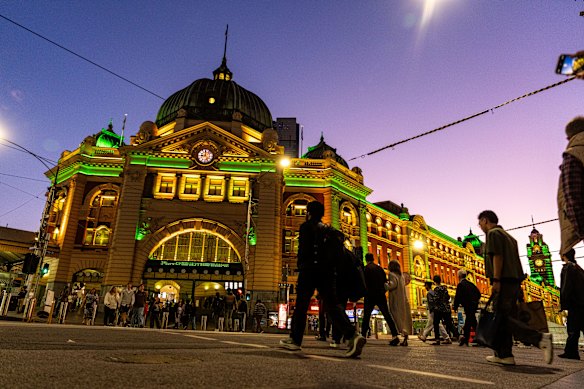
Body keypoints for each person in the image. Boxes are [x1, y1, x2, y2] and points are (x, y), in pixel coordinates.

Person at [279, 201, 366, 358]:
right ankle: (352, 335)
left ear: (309, 212)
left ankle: (295, 340)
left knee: (301, 305)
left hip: (309, 270)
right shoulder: (329, 230)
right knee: (333, 306)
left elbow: (303, 251)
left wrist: (301, 265)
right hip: (328, 273)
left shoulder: (306, 227)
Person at [478, 210, 553, 365]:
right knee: (505, 317)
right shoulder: (510, 238)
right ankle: (504, 355)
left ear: (485, 220)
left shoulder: (493, 234)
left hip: (503, 281)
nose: (479, 226)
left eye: (480, 222)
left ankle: (540, 339)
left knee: (502, 319)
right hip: (514, 283)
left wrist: (496, 280)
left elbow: (498, 256)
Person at [361, 253, 400, 346]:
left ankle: (362, 336)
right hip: (380, 294)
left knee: (366, 316)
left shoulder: (365, 269)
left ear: (366, 259)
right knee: (387, 315)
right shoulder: (380, 269)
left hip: (369, 295)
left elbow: (363, 282)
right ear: (373, 259)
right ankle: (395, 335)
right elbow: (384, 281)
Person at [559, 249, 584, 360]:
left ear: (564, 255)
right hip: (582, 302)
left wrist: (564, 303)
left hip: (574, 303)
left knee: (573, 328)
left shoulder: (568, 268)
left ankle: (571, 352)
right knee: (581, 326)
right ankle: (570, 351)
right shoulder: (579, 268)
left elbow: (566, 287)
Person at [453, 269, 481, 346]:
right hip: (473, 305)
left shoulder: (461, 285)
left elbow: (457, 297)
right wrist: (475, 300)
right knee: (472, 321)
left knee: (469, 320)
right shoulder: (471, 284)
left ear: (459, 276)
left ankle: (467, 338)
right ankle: (477, 337)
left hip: (468, 305)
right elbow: (479, 293)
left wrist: (455, 306)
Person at [387, 260, 412, 346]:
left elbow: (392, 285)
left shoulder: (391, 275)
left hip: (396, 300)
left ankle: (398, 336)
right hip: (403, 300)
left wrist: (384, 285)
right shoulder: (401, 276)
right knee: (403, 319)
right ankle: (405, 338)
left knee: (396, 319)